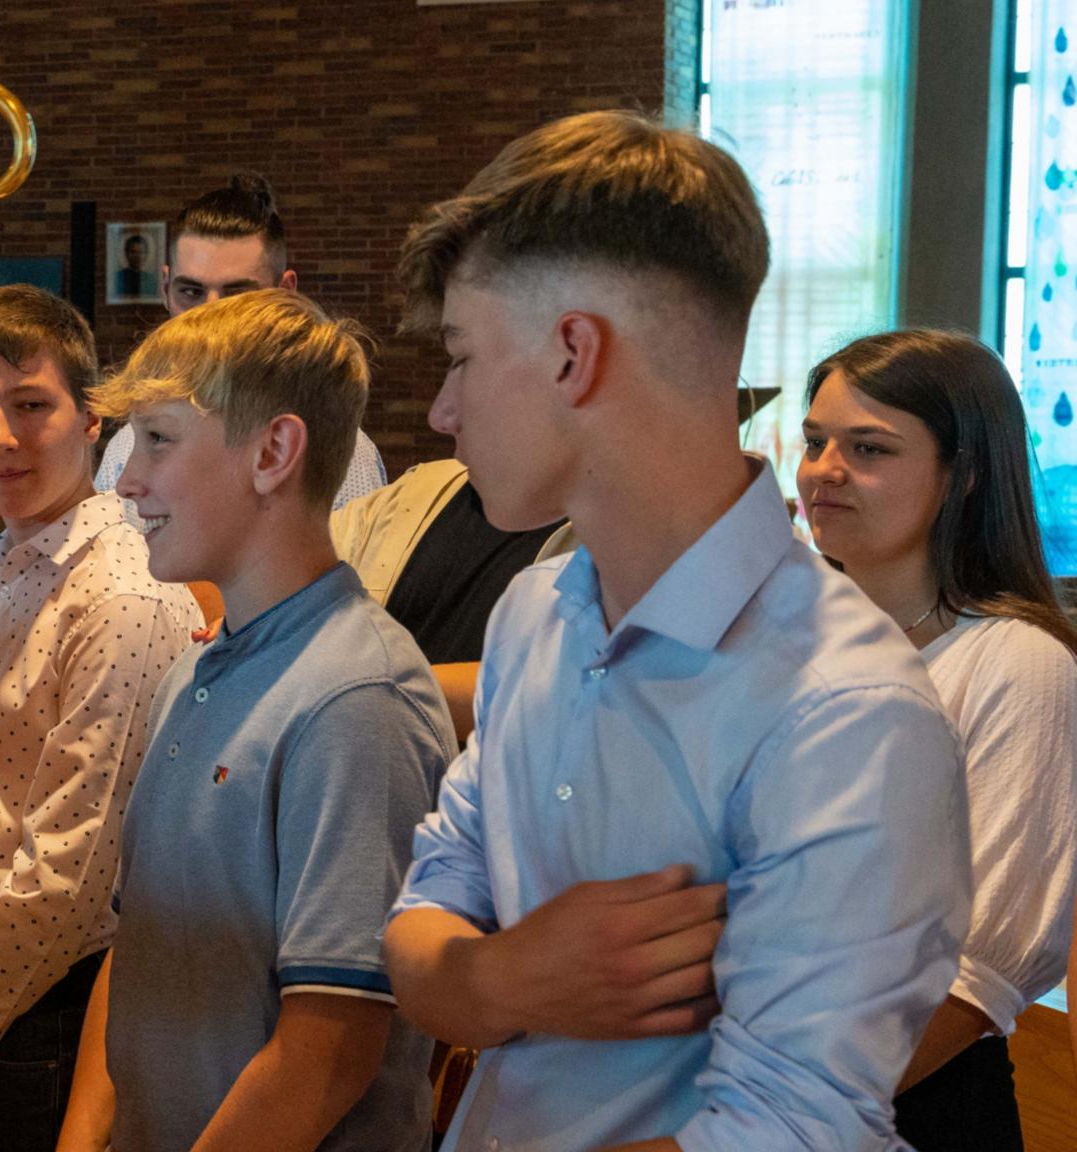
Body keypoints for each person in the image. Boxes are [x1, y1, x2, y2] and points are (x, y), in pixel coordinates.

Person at [381, 110, 970, 1151]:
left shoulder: (841, 705)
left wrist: (474, 982)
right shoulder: (534, 610)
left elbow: (785, 1131)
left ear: (573, 354)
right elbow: (423, 916)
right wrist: (502, 977)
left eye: (463, 357)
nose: (440, 408)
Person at [60, 289, 452, 1152]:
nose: (127, 480)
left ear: (274, 450)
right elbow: (139, 954)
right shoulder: (194, 671)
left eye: (159, 440)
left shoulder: (356, 697)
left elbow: (329, 1053)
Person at [0, 286, 201, 1152]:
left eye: (31, 404)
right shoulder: (8, 561)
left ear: (91, 419)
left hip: (26, 1019)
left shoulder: (119, 589)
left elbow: (69, 885)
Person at [798, 329, 1077, 1151]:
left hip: (902, 1096)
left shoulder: (1017, 663)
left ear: (965, 473)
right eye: (816, 443)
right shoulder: (792, 641)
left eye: (869, 448)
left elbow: (979, 972)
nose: (825, 471)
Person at [92, 173, 385, 513]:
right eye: (191, 292)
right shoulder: (125, 450)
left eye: (237, 297)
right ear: (165, 288)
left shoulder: (336, 454)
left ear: (284, 292)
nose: (211, 317)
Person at [331, 460, 571, 741]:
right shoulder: (428, 484)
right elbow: (298, 564)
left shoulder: (607, 531)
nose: (441, 418)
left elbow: (568, 684)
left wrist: (350, 691)